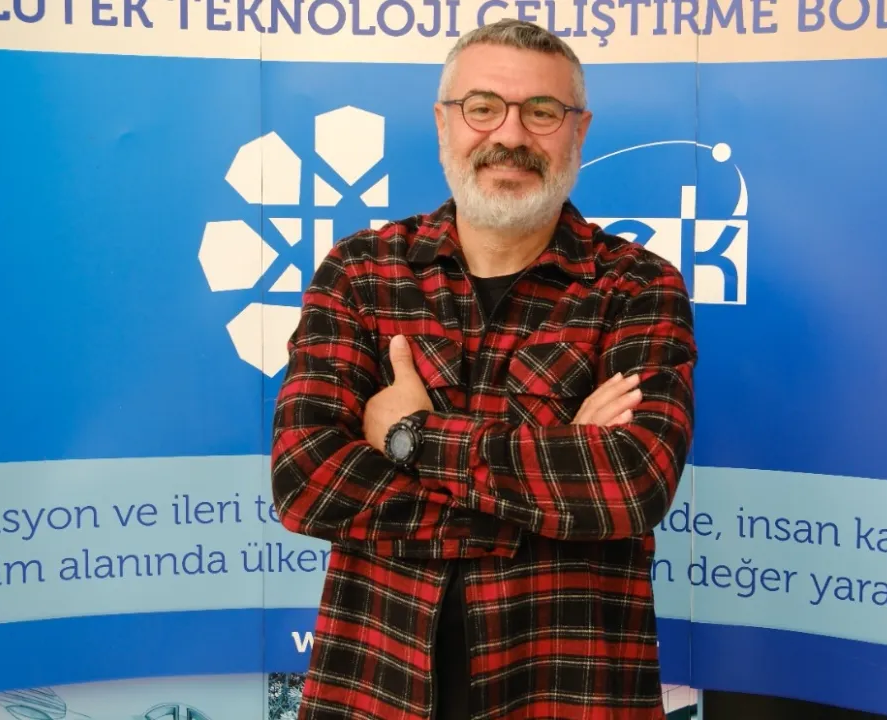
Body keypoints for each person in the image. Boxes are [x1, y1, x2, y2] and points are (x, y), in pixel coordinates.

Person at [270, 18, 697, 720]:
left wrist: (411, 436)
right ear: (444, 122)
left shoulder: (638, 286)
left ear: (579, 131)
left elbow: (629, 484)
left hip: (567, 692)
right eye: (483, 107)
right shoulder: (361, 272)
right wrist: (550, 484)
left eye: (542, 112)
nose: (511, 134)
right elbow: (305, 481)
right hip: (375, 687)